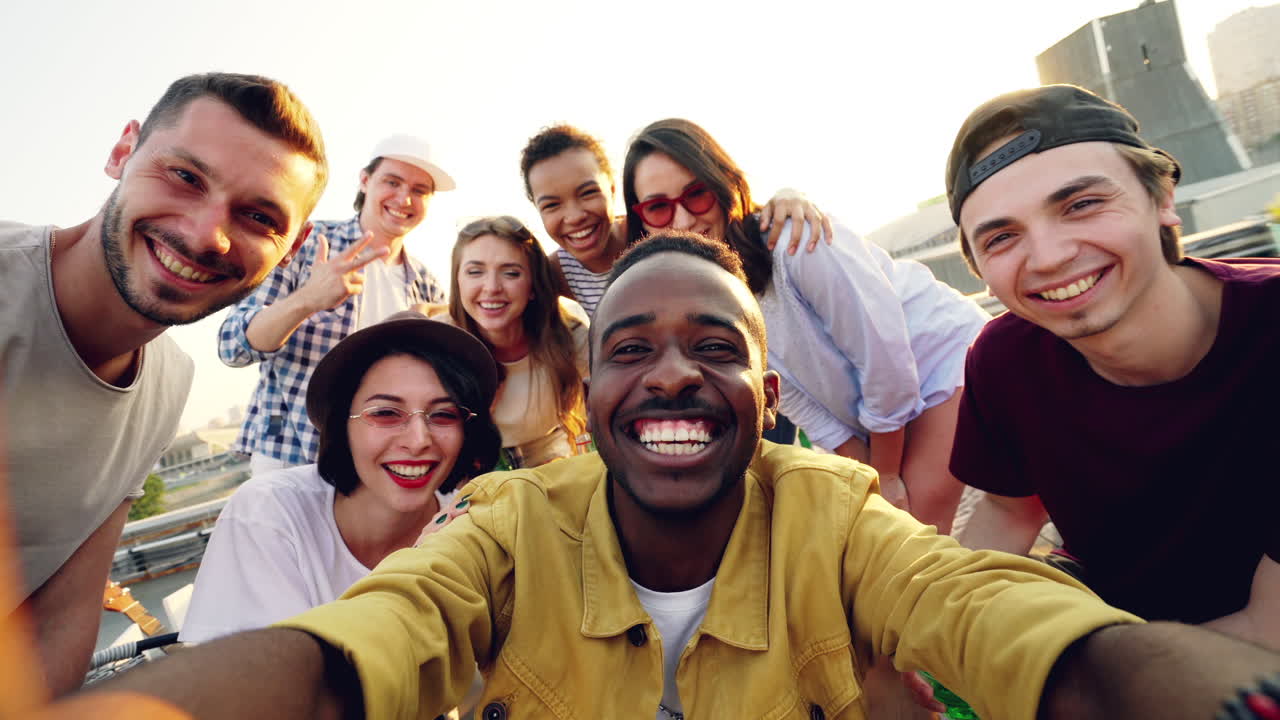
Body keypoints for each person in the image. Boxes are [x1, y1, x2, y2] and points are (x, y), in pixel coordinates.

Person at [77, 233, 1280, 720]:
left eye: (714, 348)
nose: (667, 377)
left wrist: (1163, 679)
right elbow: (369, 641)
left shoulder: (833, 514)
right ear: (583, 401)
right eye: (629, 351)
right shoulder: (500, 523)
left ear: (764, 404)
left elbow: (997, 616)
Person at [0, 71, 328, 696]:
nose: (207, 233)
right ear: (123, 152)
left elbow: (63, 615)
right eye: (185, 177)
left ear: (292, 249)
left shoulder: (169, 381)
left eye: (259, 216)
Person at [945, 84, 1280, 649]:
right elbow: (1006, 515)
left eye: (1081, 205)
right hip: (1136, 629)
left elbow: (1268, 632)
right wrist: (927, 637)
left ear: (1162, 198)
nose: (1049, 258)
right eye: (1002, 237)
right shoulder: (1006, 361)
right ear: (979, 268)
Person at [622, 119, 989, 534]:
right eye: (658, 206)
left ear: (724, 183)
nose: (685, 218)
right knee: (884, 527)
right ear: (642, 220)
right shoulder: (709, 295)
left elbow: (883, 356)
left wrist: (883, 474)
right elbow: (794, 397)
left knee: (913, 530)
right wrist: (864, 472)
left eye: (697, 194)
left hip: (945, 361)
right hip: (885, 408)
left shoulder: (796, 241)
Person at [180, 311, 500, 643]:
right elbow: (271, 682)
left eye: (444, 414)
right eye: (386, 413)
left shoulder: (473, 529)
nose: (419, 440)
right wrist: (413, 573)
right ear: (341, 426)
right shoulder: (268, 513)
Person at [219, 133, 451, 477]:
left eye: (420, 191)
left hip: (380, 466)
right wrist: (308, 299)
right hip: (293, 454)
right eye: (393, 181)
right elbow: (232, 346)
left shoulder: (425, 285)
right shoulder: (309, 242)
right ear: (365, 181)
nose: (404, 198)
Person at [520, 124, 834, 318]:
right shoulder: (557, 274)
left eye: (588, 193)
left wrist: (788, 195)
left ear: (613, 189)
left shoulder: (655, 226)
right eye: (552, 205)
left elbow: (730, 213)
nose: (574, 216)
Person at [425, 216, 589, 468]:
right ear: (458, 280)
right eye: (475, 272)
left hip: (549, 465)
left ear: (533, 285)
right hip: (466, 468)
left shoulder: (571, 337)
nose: (491, 287)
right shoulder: (436, 340)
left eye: (511, 273)